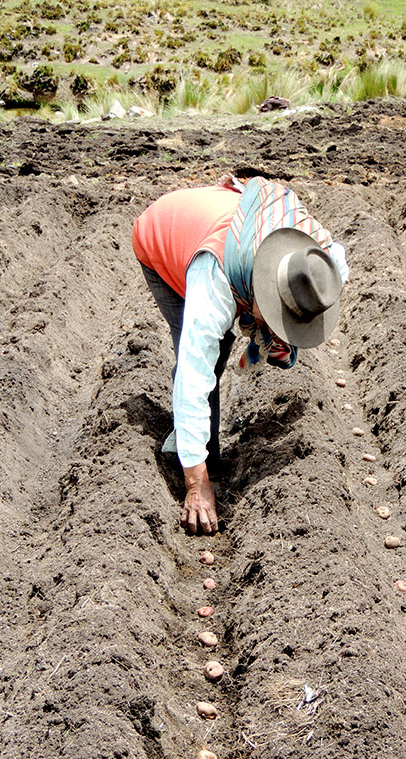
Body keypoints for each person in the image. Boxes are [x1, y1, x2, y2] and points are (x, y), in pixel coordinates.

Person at [132, 174, 349, 535]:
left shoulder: (315, 260)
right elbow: (193, 376)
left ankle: (198, 448)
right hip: (162, 234)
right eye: (278, 316)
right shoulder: (213, 285)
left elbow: (338, 263)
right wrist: (197, 485)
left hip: (219, 220)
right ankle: (197, 457)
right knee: (207, 356)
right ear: (260, 290)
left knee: (218, 346)